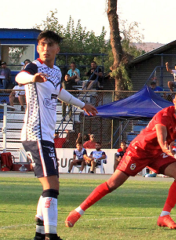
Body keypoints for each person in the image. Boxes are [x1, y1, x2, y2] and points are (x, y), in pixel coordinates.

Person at [65, 89, 176, 230]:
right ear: (174, 101)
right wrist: (165, 147)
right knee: (113, 184)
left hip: (157, 154)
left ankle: (164, 216)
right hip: (140, 150)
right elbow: (161, 133)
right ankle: (78, 211)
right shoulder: (164, 114)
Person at [16, 30, 97, 240]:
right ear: (38, 47)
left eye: (50, 45)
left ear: (57, 49)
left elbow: (59, 92)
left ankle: (40, 233)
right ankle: (51, 235)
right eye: (42, 44)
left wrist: (82, 104)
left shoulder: (56, 72)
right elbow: (20, 76)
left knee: (49, 187)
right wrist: (32, 77)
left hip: (46, 135)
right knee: (52, 186)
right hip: (36, 133)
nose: (45, 48)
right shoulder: (35, 67)